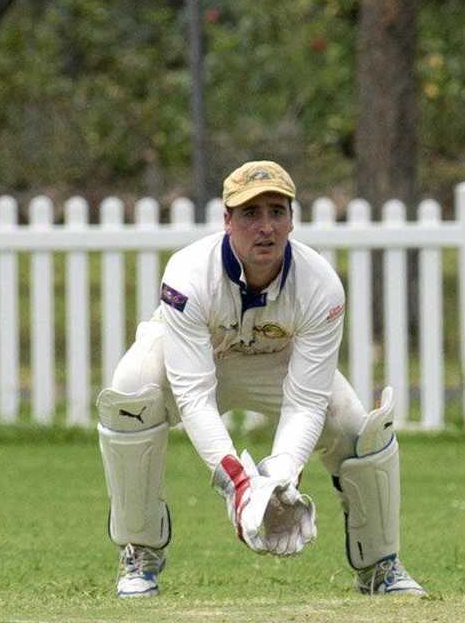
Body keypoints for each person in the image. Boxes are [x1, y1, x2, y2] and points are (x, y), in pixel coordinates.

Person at [96, 160, 425, 598]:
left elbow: (307, 402)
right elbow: (194, 394)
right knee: (132, 388)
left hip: (274, 363)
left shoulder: (320, 285)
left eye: (277, 212)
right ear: (227, 221)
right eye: (251, 214)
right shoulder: (188, 274)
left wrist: (282, 475)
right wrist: (238, 481)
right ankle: (140, 552)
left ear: (292, 219)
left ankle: (380, 565)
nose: (265, 227)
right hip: (196, 359)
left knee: (352, 422)